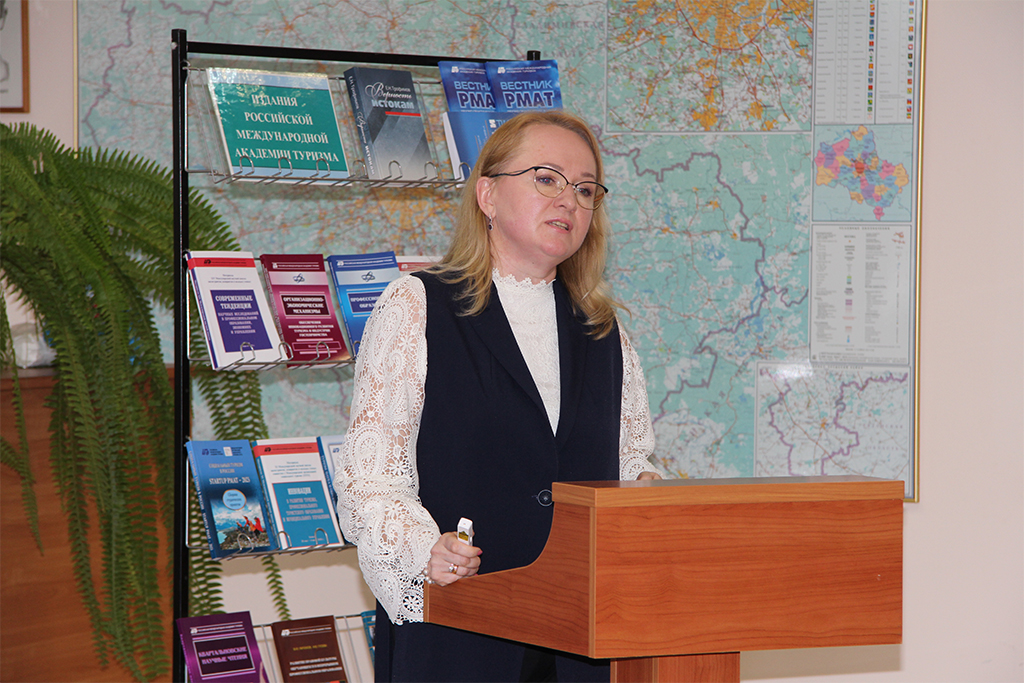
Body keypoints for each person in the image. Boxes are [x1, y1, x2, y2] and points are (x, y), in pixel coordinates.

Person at [335, 109, 660, 682]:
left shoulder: (605, 331)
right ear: (487, 195)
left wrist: (653, 492)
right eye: (547, 179)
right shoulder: (418, 306)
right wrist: (424, 549)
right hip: (460, 629)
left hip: (581, 641)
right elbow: (371, 481)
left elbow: (630, 467)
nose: (569, 200)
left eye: (586, 189)